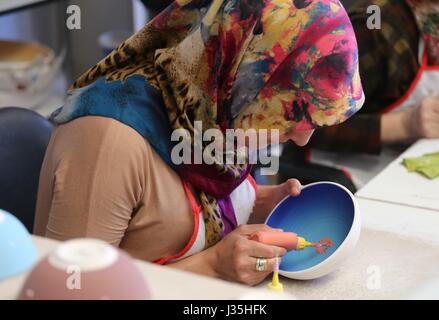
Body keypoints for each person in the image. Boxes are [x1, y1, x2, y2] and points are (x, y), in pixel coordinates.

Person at [34, 0, 363, 285]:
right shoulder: (107, 140)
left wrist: (259, 204)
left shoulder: (213, 110)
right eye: (289, 117)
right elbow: (72, 289)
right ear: (244, 75)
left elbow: (182, 206)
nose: (304, 137)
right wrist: (212, 266)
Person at [282, 0, 439, 189]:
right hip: (336, 175)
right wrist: (405, 124)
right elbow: (303, 123)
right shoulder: (376, 24)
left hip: (406, 163)